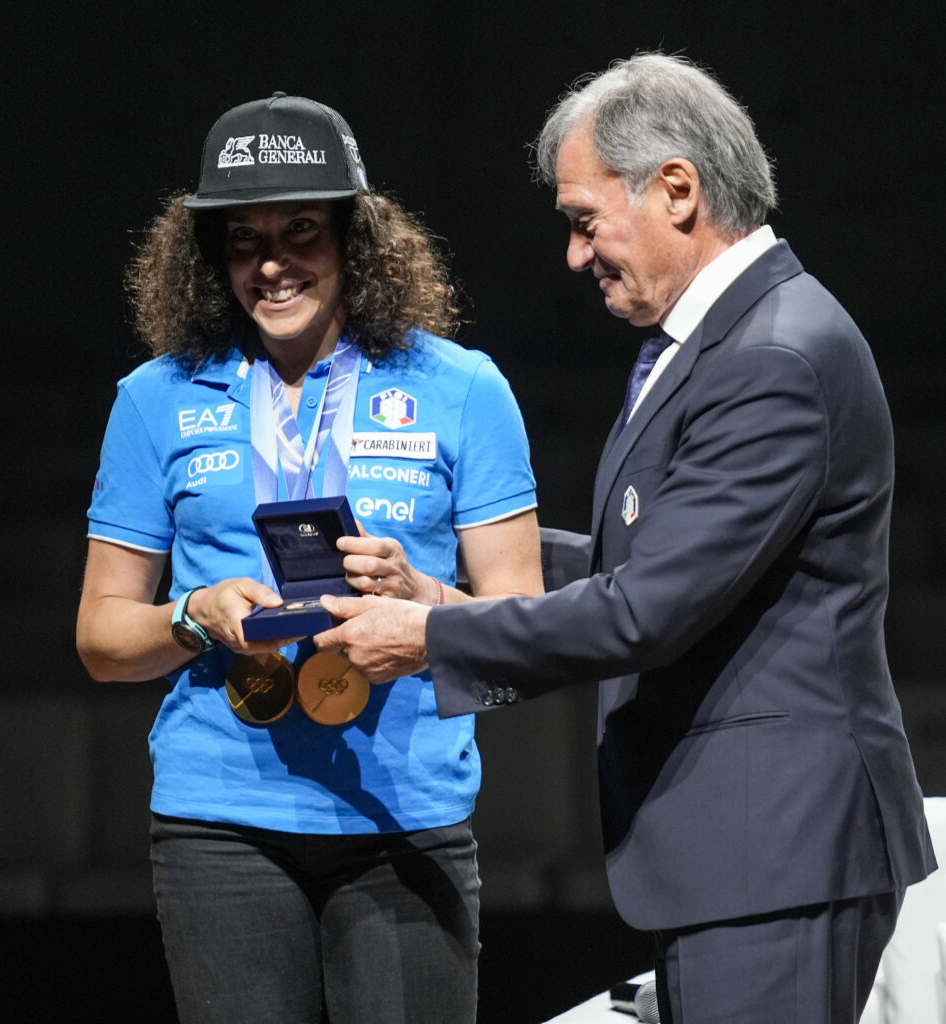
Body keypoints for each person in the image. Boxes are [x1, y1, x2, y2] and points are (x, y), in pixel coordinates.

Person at [315, 54, 936, 1023]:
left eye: (582, 219)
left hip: (777, 853)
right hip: (742, 856)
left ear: (677, 190)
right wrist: (463, 577)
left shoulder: (770, 354)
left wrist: (428, 641)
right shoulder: (721, 339)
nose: (573, 254)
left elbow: (650, 608)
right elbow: (664, 555)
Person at [76, 92, 543, 1024]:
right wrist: (190, 615)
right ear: (210, 257)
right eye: (243, 240)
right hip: (219, 822)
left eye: (302, 231)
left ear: (355, 241)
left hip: (405, 818)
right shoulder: (153, 399)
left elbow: (526, 647)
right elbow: (99, 638)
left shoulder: (460, 388)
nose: (272, 263)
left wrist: (426, 603)